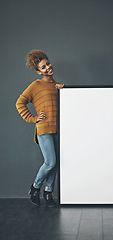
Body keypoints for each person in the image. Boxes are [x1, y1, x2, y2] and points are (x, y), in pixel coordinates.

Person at [16, 50, 64, 207]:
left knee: (56, 164)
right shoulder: (35, 85)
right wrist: (33, 118)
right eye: (43, 67)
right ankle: (35, 187)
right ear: (38, 72)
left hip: (59, 128)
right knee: (50, 162)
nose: (48, 67)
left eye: (48, 63)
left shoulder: (57, 85)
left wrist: (64, 91)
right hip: (44, 129)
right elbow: (20, 103)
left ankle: (48, 193)